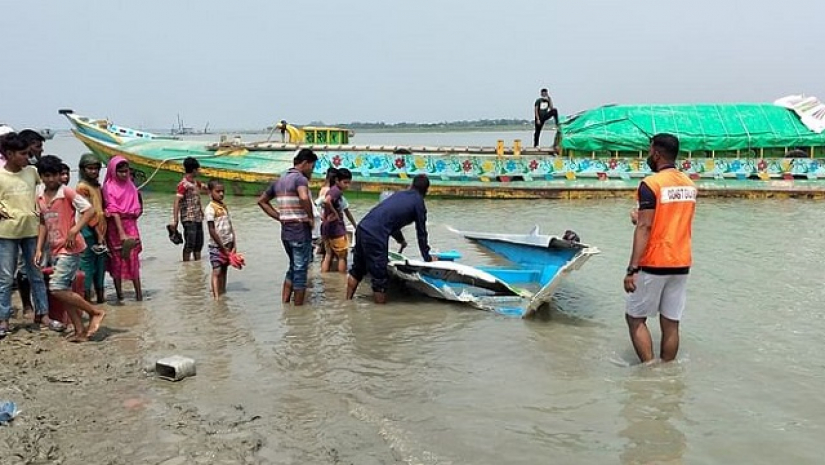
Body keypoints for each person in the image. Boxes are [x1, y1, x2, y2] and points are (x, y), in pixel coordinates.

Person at [624, 133, 697, 364]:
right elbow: (671, 219)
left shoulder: (651, 184)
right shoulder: (689, 184)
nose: (648, 154)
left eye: (649, 150)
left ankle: (649, 368)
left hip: (654, 262)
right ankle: (668, 370)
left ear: (656, 153)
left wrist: (632, 269)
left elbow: (645, 226)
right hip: (681, 263)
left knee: (634, 318)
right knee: (671, 322)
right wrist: (643, 220)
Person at [34, 155, 106, 342]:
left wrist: (75, 229)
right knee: (64, 291)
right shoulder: (40, 193)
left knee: (57, 288)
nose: (51, 179)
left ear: (60, 175)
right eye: (46, 175)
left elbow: (89, 210)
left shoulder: (66, 192)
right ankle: (80, 330)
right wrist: (39, 248)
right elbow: (42, 221)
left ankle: (94, 312)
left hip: (70, 247)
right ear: (41, 176)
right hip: (55, 247)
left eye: (54, 175)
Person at [0, 134, 63, 338]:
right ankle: (3, 320)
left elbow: (47, 188)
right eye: (23, 153)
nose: (28, 157)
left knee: (36, 274)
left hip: (31, 231)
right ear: (9, 154)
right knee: (6, 278)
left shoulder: (32, 172)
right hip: (7, 232)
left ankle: (43, 314)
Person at [347, 174, 435, 304]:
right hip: (375, 235)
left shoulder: (399, 195)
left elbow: (389, 220)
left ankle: (347, 302)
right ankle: (380, 314)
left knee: (357, 269)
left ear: (411, 185)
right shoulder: (419, 204)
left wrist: (401, 240)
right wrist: (427, 257)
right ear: (426, 191)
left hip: (362, 228)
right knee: (380, 278)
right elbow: (421, 233)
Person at [257, 148, 318, 306]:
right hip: (299, 230)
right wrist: (310, 217)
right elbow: (304, 197)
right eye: (312, 166)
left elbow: (262, 201)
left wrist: (280, 217)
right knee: (301, 272)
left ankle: (285, 305)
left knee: (293, 267)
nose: (312, 171)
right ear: (305, 163)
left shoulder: (279, 181)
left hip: (286, 231)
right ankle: (298, 310)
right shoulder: (300, 180)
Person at [103, 156, 144, 301]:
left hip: (131, 223)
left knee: (133, 258)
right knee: (117, 260)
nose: (124, 174)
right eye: (120, 172)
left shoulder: (131, 186)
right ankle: (119, 294)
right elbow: (113, 210)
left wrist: (135, 212)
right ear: (113, 171)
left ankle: (139, 294)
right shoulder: (109, 187)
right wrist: (121, 232)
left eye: (126, 171)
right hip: (115, 226)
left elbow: (137, 207)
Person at [75, 153, 109, 303]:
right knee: (88, 265)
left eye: (96, 168)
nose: (94, 172)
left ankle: (101, 298)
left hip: (100, 227)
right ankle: (87, 298)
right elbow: (87, 212)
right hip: (89, 229)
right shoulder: (82, 187)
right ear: (83, 169)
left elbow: (99, 206)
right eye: (90, 168)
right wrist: (98, 233)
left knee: (101, 263)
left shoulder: (97, 186)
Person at [205, 179, 236, 298]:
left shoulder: (223, 207)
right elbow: (211, 230)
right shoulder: (210, 209)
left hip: (228, 243)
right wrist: (222, 247)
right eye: (218, 191)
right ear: (210, 192)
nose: (221, 194)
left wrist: (234, 244)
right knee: (217, 271)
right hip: (216, 245)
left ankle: (223, 292)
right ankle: (216, 297)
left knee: (224, 270)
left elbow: (230, 225)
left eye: (223, 191)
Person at [171, 157, 205, 262]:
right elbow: (177, 201)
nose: (199, 171)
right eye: (198, 169)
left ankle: (197, 266)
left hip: (198, 217)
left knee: (199, 245)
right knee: (190, 244)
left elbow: (205, 189)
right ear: (194, 170)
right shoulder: (183, 185)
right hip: (188, 219)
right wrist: (175, 220)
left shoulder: (196, 183)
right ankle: (186, 265)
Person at [321, 168, 353, 273]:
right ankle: (341, 281)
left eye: (349, 183)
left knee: (328, 254)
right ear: (337, 180)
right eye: (345, 183)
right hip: (335, 228)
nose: (347, 185)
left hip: (326, 227)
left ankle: (325, 277)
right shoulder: (337, 191)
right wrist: (335, 213)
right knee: (342, 256)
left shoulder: (331, 190)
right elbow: (327, 201)